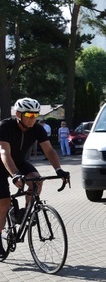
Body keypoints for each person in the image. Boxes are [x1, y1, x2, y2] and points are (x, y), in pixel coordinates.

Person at [0, 98, 70, 231]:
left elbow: (49, 150)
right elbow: (4, 153)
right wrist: (15, 175)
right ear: (19, 114)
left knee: (37, 181)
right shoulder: (5, 127)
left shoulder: (37, 129)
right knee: (3, 203)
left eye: (36, 114)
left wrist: (59, 169)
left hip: (19, 162)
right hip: (2, 164)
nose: (33, 118)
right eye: (29, 115)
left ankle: (25, 213)